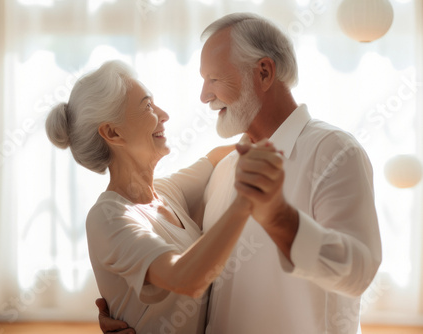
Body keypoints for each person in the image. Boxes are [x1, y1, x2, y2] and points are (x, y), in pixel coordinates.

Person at [98, 12, 382, 334]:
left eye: (214, 79)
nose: (204, 96)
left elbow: (358, 273)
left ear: (263, 73)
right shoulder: (225, 169)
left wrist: (279, 218)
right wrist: (131, 316)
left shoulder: (334, 152)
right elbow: (187, 266)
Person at [45, 60, 284, 333]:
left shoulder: (168, 193)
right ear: (113, 132)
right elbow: (186, 278)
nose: (164, 114)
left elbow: (217, 157)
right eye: (147, 106)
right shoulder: (107, 218)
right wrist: (245, 201)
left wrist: (263, 125)